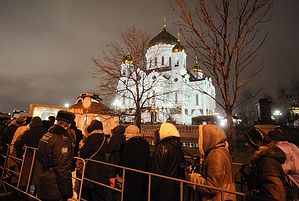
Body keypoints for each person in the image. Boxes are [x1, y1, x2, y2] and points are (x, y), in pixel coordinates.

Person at [188, 124, 236, 201]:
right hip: (225, 196)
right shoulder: (222, 151)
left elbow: (211, 187)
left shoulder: (216, 155)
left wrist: (194, 178)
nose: (198, 141)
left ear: (208, 138)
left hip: (219, 198)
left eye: (200, 138)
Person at [36, 110, 76, 201]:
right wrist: (68, 193)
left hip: (44, 179)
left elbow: (40, 157)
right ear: (68, 124)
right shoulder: (62, 140)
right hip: (55, 186)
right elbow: (63, 169)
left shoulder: (47, 135)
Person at [240, 127, 286, 201]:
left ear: (255, 143)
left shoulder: (267, 163)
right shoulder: (262, 159)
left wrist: (252, 195)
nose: (246, 144)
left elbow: (274, 194)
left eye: (248, 142)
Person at [150, 122, 185, 201]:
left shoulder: (162, 148)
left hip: (163, 189)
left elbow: (156, 172)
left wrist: (153, 192)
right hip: (175, 188)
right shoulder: (178, 146)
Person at [79, 119, 110, 201]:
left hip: (91, 167)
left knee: (88, 190)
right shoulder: (104, 138)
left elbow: (84, 152)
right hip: (102, 166)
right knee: (99, 190)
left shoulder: (92, 137)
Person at [14, 116, 48, 190]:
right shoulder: (46, 132)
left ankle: (24, 192)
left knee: (27, 175)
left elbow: (18, 144)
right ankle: (36, 193)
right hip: (42, 156)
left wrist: (20, 154)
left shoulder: (29, 132)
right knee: (39, 175)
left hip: (30, 155)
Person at [118, 125, 150, 201]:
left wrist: (120, 174)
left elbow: (124, 161)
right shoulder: (145, 143)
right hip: (142, 174)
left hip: (130, 175)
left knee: (130, 195)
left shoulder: (127, 144)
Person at [267, 129, 299, 200]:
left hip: (295, 185)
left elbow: (281, 170)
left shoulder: (279, 149)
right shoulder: (292, 145)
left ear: (272, 141)